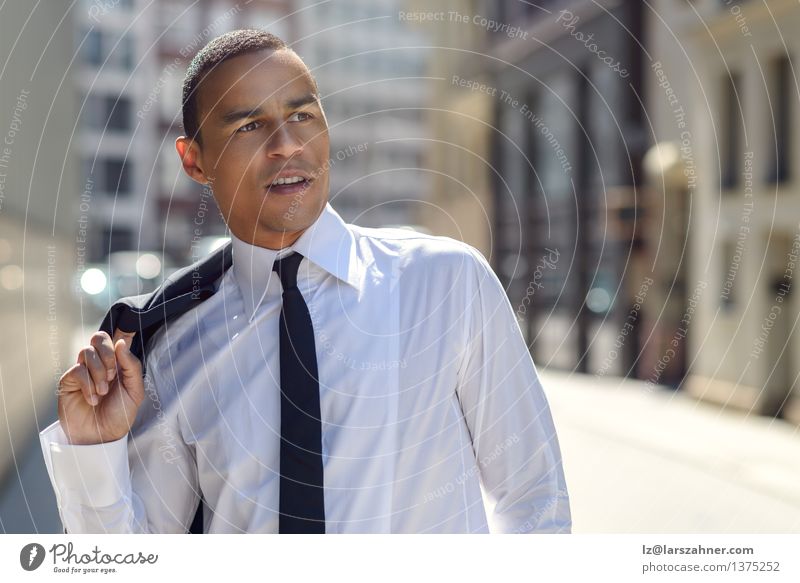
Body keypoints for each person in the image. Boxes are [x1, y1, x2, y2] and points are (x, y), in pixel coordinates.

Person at [39, 29, 571, 533]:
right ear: (194, 161)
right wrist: (93, 452)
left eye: (302, 114)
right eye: (248, 126)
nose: (287, 145)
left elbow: (534, 500)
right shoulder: (169, 343)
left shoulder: (447, 284)